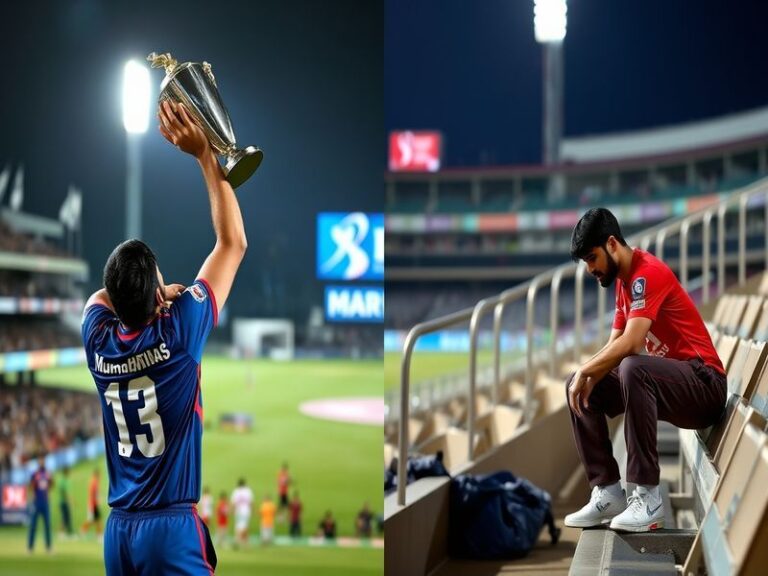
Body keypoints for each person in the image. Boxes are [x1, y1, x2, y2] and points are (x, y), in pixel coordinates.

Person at [81, 99, 248, 574]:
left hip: (118, 535)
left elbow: (103, 295)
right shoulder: (179, 329)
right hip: (171, 530)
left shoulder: (97, 340)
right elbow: (232, 242)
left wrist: (150, 297)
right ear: (158, 293)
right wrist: (204, 156)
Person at [563, 208, 726, 533]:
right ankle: (608, 490)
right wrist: (585, 375)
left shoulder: (647, 272)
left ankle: (648, 497)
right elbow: (613, 347)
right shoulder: (624, 286)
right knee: (583, 385)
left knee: (632, 367)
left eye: (592, 258)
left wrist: (587, 369)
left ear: (612, 244)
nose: (590, 269)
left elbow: (632, 343)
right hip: (674, 385)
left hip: (705, 385)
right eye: (585, 263)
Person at [28, 456, 53, 553]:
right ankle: (30, 547)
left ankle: (48, 547)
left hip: (45, 502)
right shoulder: (35, 474)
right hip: (37, 502)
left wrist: (48, 492)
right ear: (38, 462)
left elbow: (51, 484)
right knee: (33, 525)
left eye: (43, 460)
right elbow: (30, 485)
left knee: (47, 525)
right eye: (40, 460)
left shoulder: (47, 474)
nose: (42, 462)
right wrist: (32, 496)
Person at [230, 478, 254, 548]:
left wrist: (232, 510)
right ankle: (244, 542)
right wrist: (252, 510)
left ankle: (238, 541)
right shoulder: (248, 491)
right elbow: (251, 502)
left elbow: (233, 503)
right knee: (245, 526)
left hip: (238, 511)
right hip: (246, 511)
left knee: (238, 526)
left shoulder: (236, 491)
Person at [81, 468, 102, 537]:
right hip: (93, 504)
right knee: (91, 520)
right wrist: (97, 500)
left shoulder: (94, 482)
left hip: (93, 504)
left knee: (97, 519)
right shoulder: (94, 482)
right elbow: (94, 493)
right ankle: (83, 530)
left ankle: (98, 534)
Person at [58, 467, 73, 537]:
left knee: (66, 517)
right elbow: (66, 492)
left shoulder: (62, 480)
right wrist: (69, 501)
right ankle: (62, 532)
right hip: (64, 502)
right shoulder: (64, 481)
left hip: (62, 502)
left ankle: (66, 532)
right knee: (65, 518)